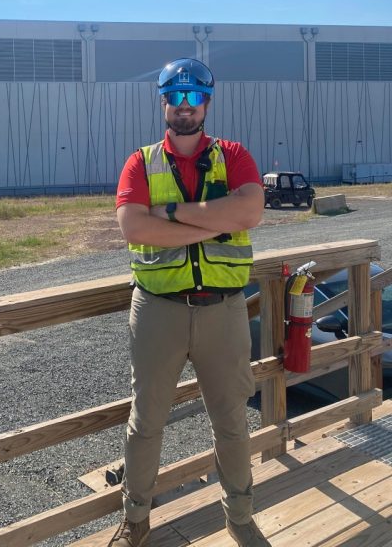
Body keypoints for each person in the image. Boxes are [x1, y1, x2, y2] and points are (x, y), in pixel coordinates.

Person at [109, 58, 270, 547]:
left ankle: (239, 518)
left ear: (207, 103)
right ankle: (135, 519)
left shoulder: (234, 155)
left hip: (223, 309)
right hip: (159, 309)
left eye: (194, 98)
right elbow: (134, 226)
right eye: (176, 97)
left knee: (232, 421)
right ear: (163, 102)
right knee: (147, 420)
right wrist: (216, 220)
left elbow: (251, 210)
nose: (185, 107)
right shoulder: (141, 162)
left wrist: (174, 213)